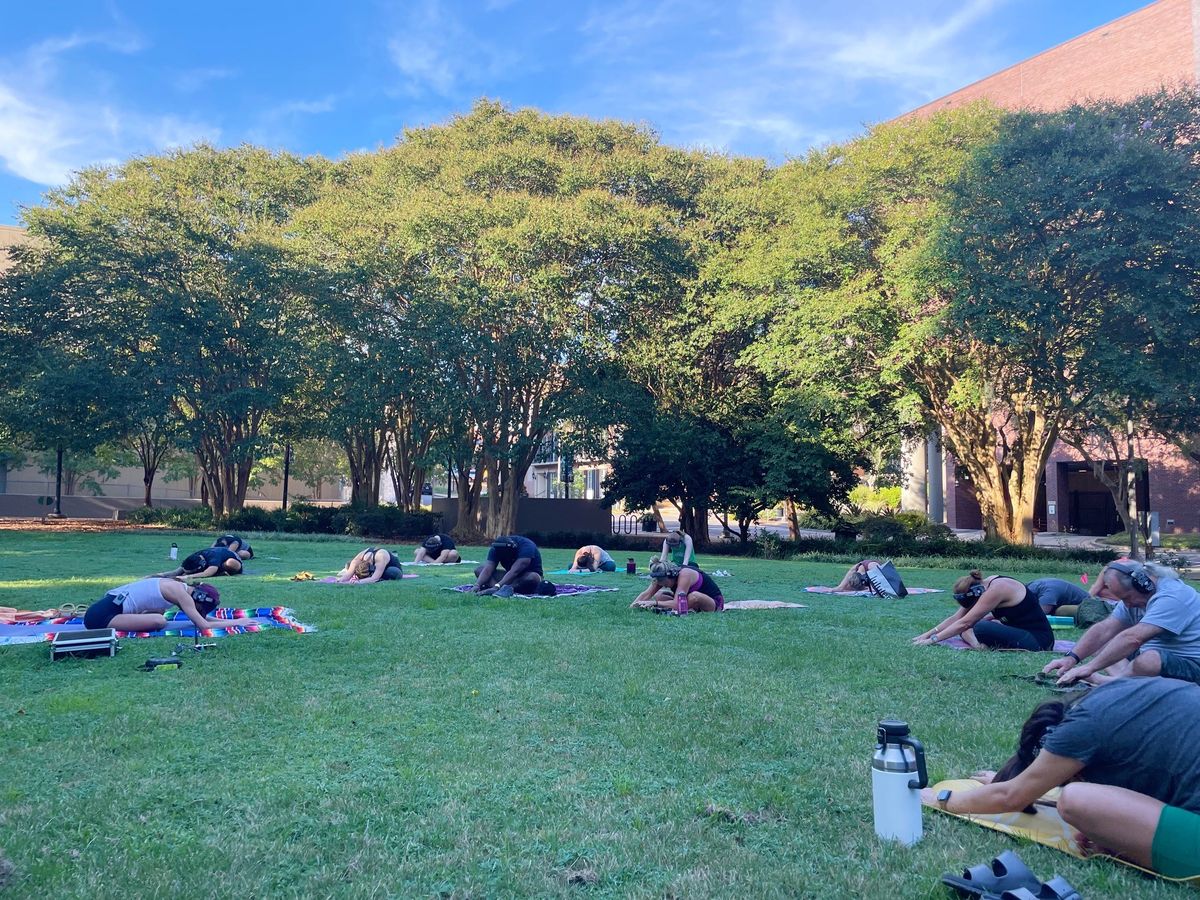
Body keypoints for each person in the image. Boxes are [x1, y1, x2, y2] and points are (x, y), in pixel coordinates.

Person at [926, 677, 1200, 880]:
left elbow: (1012, 796)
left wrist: (943, 799)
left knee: (1077, 800)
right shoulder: (1112, 696)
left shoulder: (1084, 729)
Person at [1043, 560, 1200, 686]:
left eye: (1127, 597)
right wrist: (1071, 658)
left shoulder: (1173, 597)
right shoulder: (1134, 599)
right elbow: (1105, 629)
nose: (1127, 604)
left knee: (1149, 660)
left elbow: (1133, 638)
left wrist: (1089, 668)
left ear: (1143, 584)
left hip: (1193, 666)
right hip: (1154, 659)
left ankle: (1111, 683)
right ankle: (1126, 681)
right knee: (1105, 643)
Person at [912, 570, 1053, 651]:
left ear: (977, 592)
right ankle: (978, 646)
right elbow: (956, 618)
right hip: (1020, 632)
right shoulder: (983, 586)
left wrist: (933, 641)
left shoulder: (997, 589)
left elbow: (965, 623)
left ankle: (978, 646)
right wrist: (925, 636)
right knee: (965, 626)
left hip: (1039, 641)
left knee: (978, 626)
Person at [83, 578, 224, 633]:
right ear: (198, 597)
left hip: (102, 610)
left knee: (159, 612)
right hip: (100, 618)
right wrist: (237, 622)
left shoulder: (175, 585)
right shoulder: (182, 595)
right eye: (199, 608)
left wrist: (225, 621)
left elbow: (199, 618)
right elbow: (203, 624)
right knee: (159, 620)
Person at [631, 560, 724, 613]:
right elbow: (647, 593)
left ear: (671, 576)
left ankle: (671, 611)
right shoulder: (660, 575)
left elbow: (677, 603)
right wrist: (633, 606)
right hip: (685, 600)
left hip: (713, 603)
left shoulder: (685, 574)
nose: (664, 586)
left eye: (665, 583)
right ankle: (683, 610)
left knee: (693, 596)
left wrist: (654, 603)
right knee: (658, 595)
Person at [469, 535, 544, 597]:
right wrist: (477, 585)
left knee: (533, 577)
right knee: (479, 570)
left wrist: (497, 586)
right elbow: (487, 569)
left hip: (525, 577)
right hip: (510, 578)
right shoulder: (496, 549)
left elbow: (514, 571)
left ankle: (500, 589)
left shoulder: (526, 546)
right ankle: (497, 590)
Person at [155, 547, 243, 578]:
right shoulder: (192, 558)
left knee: (230, 563)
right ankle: (220, 573)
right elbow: (176, 572)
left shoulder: (213, 557)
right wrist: (160, 575)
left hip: (231, 563)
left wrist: (188, 577)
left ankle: (221, 572)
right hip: (211, 565)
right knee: (181, 573)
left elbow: (207, 573)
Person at [335, 548, 404, 584]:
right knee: (348, 565)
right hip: (373, 568)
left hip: (392, 569)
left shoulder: (380, 557)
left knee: (391, 572)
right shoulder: (358, 559)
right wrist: (340, 580)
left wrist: (359, 582)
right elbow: (348, 575)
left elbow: (375, 578)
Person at [1026, 577, 1091, 615]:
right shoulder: (1032, 586)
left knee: (1060, 611)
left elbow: (1040, 613)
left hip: (1088, 606)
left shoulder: (1048, 593)